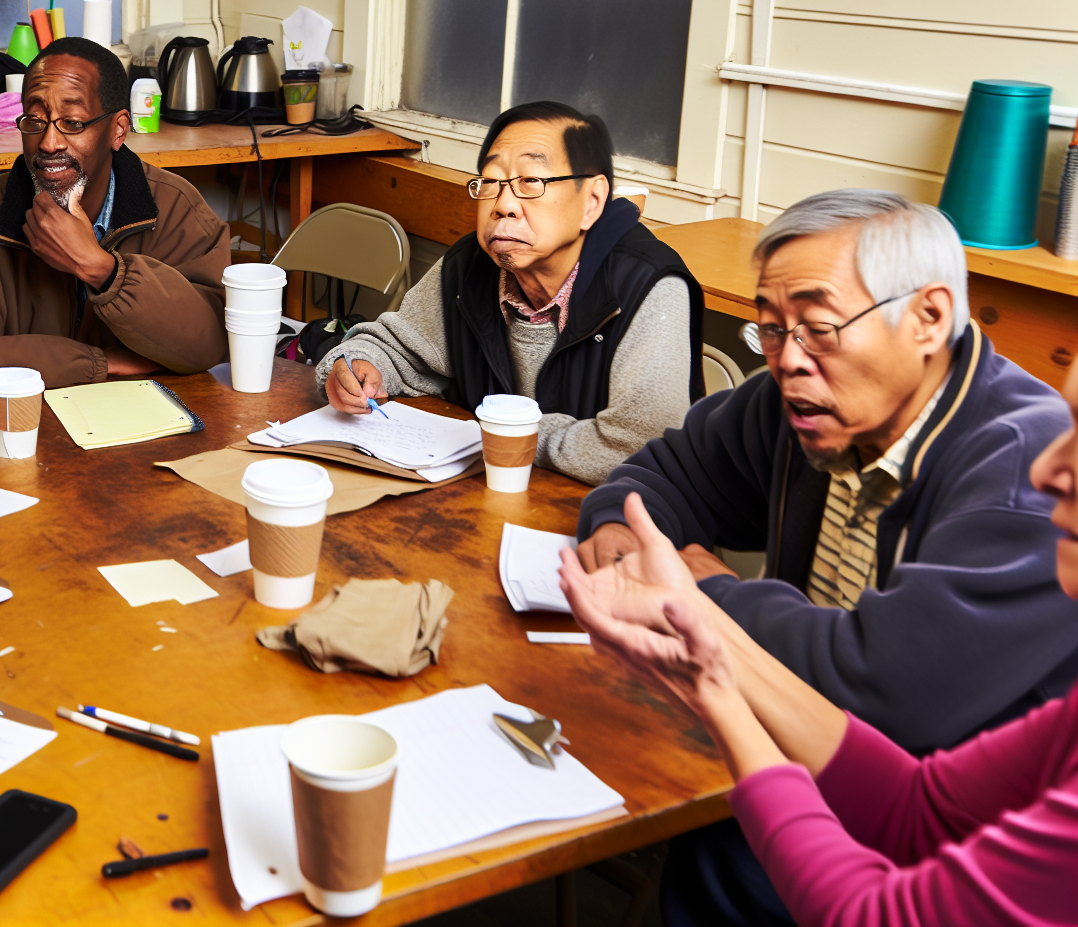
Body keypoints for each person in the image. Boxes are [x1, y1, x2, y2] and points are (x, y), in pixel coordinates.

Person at [571, 189, 1078, 924]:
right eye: (770, 331)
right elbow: (659, 476)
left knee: (721, 849)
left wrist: (700, 591)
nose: (788, 360)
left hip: (948, 835)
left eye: (818, 327)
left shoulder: (1012, 471)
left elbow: (884, 690)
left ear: (929, 319)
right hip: (867, 779)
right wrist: (625, 533)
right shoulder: (804, 398)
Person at [321, 101, 704, 485]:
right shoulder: (469, 264)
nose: (504, 205)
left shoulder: (647, 287)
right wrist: (356, 365)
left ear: (591, 202)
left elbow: (640, 446)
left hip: (610, 521)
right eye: (490, 181)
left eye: (531, 182)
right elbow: (396, 349)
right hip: (481, 500)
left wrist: (515, 435)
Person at [0, 37, 231, 401]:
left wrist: (104, 270)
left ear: (118, 130)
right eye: (34, 120)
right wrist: (97, 364)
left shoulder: (176, 208)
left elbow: (210, 343)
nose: (49, 143)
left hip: (146, 430)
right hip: (20, 437)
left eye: (73, 123)